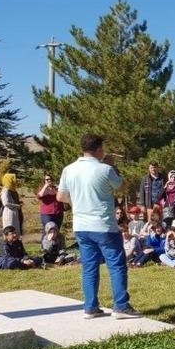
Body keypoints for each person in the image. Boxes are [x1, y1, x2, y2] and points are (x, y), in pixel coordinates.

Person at [57, 134, 141, 319]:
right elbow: (123, 187)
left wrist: (78, 204)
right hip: (103, 225)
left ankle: (90, 307)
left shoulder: (68, 169)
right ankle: (121, 306)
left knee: (89, 267)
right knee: (116, 265)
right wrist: (112, 167)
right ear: (98, 149)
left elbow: (60, 196)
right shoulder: (105, 169)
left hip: (81, 225)